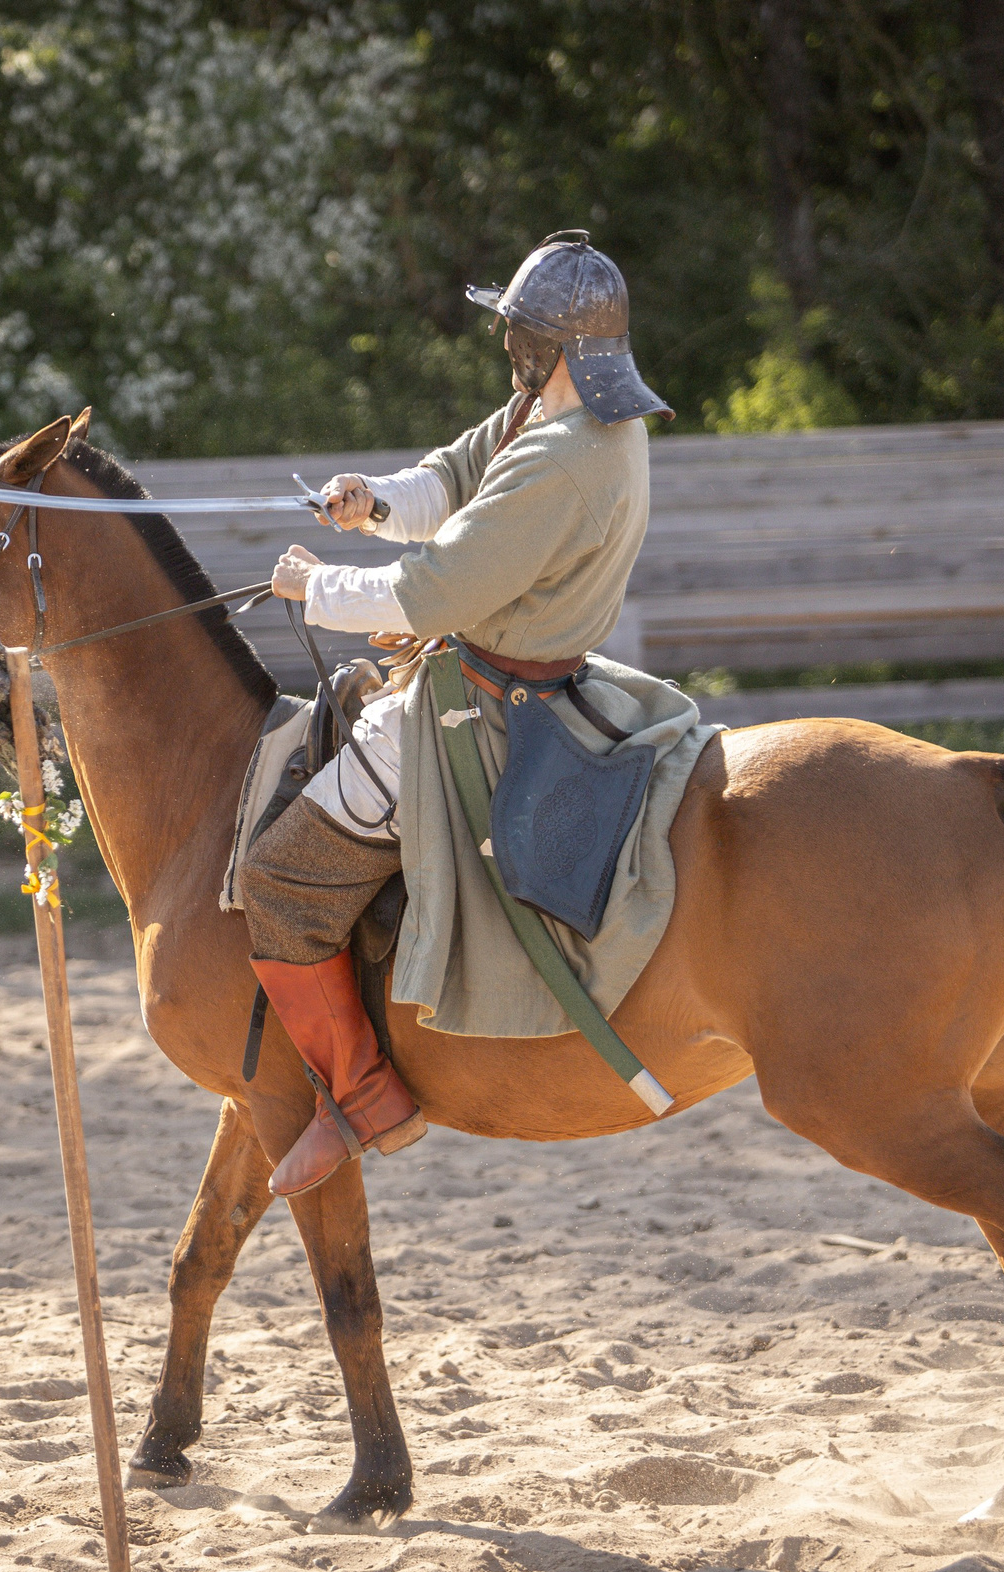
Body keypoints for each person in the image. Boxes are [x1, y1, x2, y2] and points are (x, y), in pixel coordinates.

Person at [241, 231, 675, 1199]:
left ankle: (360, 1096)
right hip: (540, 674)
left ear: (546, 342)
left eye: (517, 334)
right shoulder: (571, 418)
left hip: (475, 709)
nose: (508, 350)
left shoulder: (563, 455)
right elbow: (452, 480)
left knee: (275, 879)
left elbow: (431, 593)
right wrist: (371, 503)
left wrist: (315, 588)